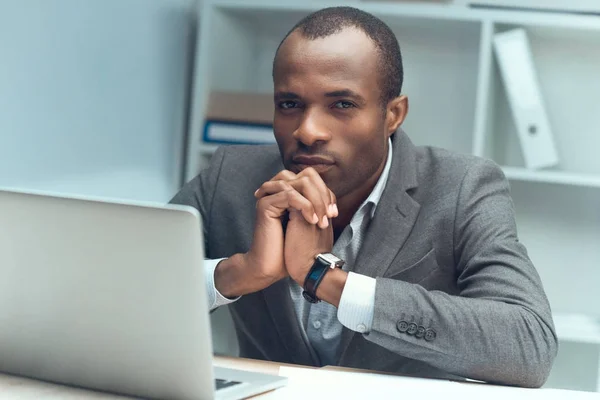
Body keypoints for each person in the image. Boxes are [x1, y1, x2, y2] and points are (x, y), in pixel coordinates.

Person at [171, 6, 557, 387]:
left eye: (342, 104)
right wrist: (242, 272)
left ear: (393, 114)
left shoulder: (461, 187)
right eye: (290, 104)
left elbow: (528, 347)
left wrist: (323, 278)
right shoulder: (231, 177)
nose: (308, 131)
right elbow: (119, 287)